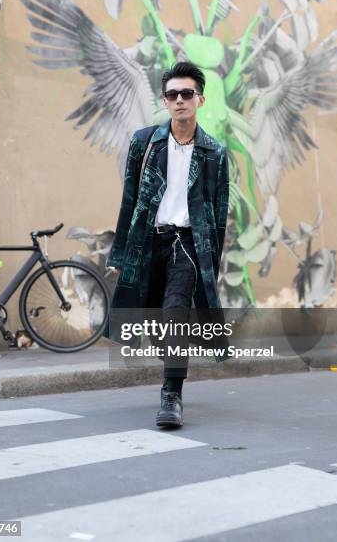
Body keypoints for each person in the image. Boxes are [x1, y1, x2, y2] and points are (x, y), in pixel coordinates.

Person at [105, 61, 230, 428]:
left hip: (188, 246)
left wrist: (211, 266)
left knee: (176, 312)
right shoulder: (144, 142)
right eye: (172, 94)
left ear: (200, 100)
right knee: (153, 321)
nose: (179, 100)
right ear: (165, 101)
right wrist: (120, 252)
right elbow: (129, 199)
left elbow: (218, 214)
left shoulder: (214, 152)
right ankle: (170, 362)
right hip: (147, 242)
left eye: (186, 94)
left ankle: (171, 395)